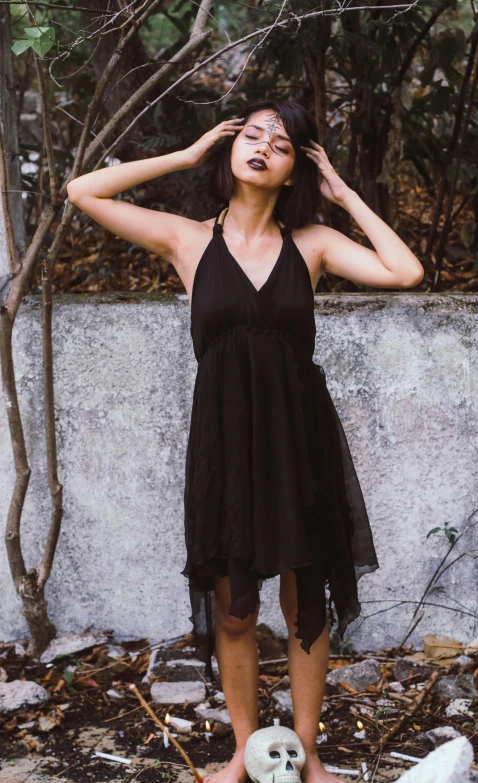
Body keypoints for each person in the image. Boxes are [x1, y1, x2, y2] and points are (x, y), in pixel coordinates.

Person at [67, 98, 423, 783]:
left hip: (299, 437)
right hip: (225, 441)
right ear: (230, 152)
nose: (262, 145)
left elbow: (404, 270)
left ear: (294, 171)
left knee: (303, 601)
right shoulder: (186, 239)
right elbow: (82, 190)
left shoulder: (311, 245)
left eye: (281, 143)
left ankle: (308, 752)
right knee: (236, 605)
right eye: (252, 134)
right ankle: (242, 750)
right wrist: (185, 154)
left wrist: (344, 194)